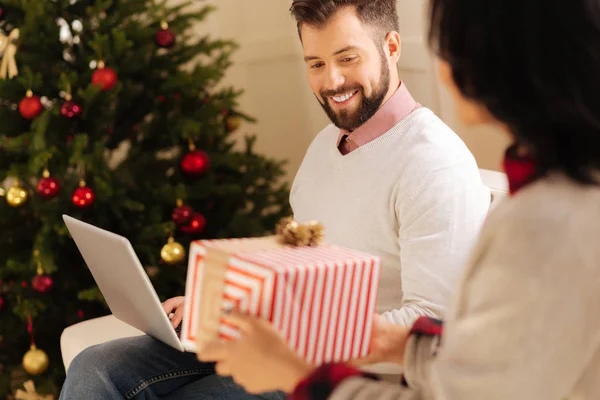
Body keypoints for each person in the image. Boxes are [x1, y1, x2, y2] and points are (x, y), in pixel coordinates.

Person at [59, 0, 490, 398]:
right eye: (316, 64)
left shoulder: (433, 164)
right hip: (279, 336)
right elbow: (298, 262)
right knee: (96, 367)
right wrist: (219, 306)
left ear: (391, 47)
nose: (332, 81)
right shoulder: (327, 144)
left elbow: (433, 324)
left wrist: (294, 338)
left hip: (346, 371)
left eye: (347, 58)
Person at [198, 0, 600, 398]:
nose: (441, 68)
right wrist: (398, 343)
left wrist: (299, 375)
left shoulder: (548, 222)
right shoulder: (547, 196)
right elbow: (489, 360)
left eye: (452, 47)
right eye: (315, 62)